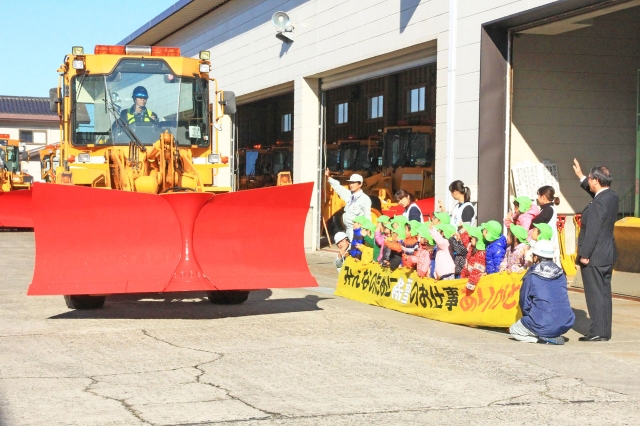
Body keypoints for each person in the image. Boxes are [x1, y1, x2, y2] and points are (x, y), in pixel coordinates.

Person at [573, 158, 619, 342]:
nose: (589, 181)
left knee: (595, 295)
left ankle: (598, 332)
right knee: (604, 294)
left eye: (590, 179)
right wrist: (581, 176)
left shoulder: (599, 203)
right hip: (606, 254)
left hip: (595, 256)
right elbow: (596, 194)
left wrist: (585, 254)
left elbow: (593, 229)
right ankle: (603, 330)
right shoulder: (611, 197)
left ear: (597, 181)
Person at [509, 240, 575, 345]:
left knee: (514, 330)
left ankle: (541, 339)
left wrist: (530, 318)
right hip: (566, 322)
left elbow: (524, 302)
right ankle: (550, 334)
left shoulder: (532, 275)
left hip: (542, 322)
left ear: (536, 257)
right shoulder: (561, 274)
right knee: (546, 323)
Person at [325, 169, 372, 242]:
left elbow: (367, 216)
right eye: (350, 183)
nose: (351, 185)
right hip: (348, 229)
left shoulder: (365, 199)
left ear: (360, 184)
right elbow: (338, 187)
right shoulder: (349, 195)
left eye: (353, 183)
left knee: (355, 248)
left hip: (357, 231)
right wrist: (328, 178)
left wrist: (368, 231)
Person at [531, 185, 561, 265]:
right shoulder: (549, 208)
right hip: (547, 242)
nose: (537, 198)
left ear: (543, 197)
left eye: (538, 196)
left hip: (546, 243)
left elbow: (536, 221)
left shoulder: (548, 209)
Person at [460, 225, 486, 291]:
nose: (470, 239)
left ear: (478, 240)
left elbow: (476, 272)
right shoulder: (471, 247)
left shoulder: (481, 254)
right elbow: (465, 240)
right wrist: (461, 228)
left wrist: (469, 286)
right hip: (466, 279)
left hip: (472, 286)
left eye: (472, 238)